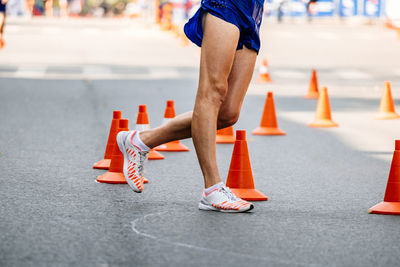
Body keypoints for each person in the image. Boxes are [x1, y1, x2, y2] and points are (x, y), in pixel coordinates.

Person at [117, 0, 264, 213]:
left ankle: (139, 141)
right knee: (212, 93)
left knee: (227, 114)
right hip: (225, 5)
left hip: (252, 10)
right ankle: (212, 189)